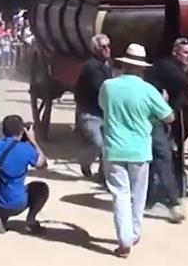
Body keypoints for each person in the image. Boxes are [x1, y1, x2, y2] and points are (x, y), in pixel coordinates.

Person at [98, 43, 175, 258]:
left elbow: (104, 107)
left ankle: (125, 240)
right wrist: (160, 105)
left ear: (123, 65)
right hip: (140, 149)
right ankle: (134, 232)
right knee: (137, 195)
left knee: (119, 195)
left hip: (114, 147)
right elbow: (169, 117)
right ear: (142, 68)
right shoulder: (148, 90)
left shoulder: (108, 86)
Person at [142, 38, 188, 222]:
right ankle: (173, 203)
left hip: (159, 117)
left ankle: (149, 197)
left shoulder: (176, 68)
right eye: (185, 53)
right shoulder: (170, 68)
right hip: (153, 117)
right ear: (175, 52)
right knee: (163, 156)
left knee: (156, 158)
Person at [0, 114, 50, 235]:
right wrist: (33, 141)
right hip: (18, 203)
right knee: (41, 188)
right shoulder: (26, 149)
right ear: (22, 131)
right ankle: (31, 220)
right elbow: (43, 165)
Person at [74, 33, 112, 179]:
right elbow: (101, 88)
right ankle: (85, 162)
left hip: (103, 111)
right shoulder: (92, 67)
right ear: (95, 49)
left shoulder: (105, 65)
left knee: (108, 146)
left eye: (108, 46)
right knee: (98, 144)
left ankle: (103, 175)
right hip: (90, 112)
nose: (107, 49)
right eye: (103, 47)